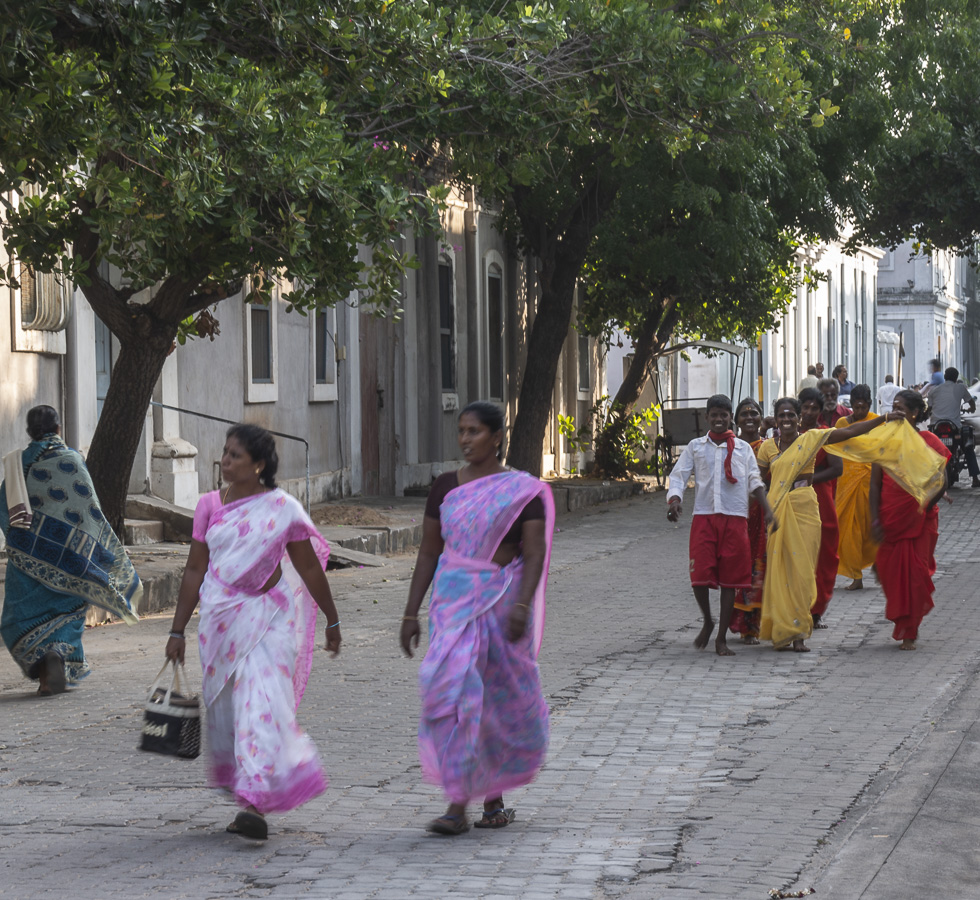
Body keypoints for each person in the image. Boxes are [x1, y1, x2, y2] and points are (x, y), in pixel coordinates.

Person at [166, 424, 341, 841]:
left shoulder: (281, 508)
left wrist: (332, 619)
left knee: (259, 703)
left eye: (235, 455)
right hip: (221, 622)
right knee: (227, 711)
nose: (225, 461)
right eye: (224, 453)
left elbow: (308, 566)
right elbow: (194, 570)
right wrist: (177, 631)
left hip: (269, 619)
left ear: (259, 465)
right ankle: (246, 788)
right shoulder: (209, 505)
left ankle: (254, 803)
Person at [401, 402, 554, 835]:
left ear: (497, 437)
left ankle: (469, 803)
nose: (466, 439)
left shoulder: (521, 491)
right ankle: (471, 798)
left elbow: (535, 551)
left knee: (492, 702)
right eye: (461, 431)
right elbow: (430, 550)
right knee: (452, 695)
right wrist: (411, 611)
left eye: (475, 432)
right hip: (452, 606)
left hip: (502, 607)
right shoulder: (445, 487)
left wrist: (523, 604)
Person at [756, 397, 939, 652]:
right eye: (781, 415)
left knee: (803, 571)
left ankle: (799, 634)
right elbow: (757, 482)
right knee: (780, 569)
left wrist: (883, 419)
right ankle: (782, 631)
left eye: (791, 415)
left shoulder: (812, 439)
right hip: (777, 510)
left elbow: (850, 431)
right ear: (775, 419)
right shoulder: (766, 448)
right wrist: (766, 509)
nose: (786, 420)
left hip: (805, 508)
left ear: (798, 419)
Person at [0, 405, 141, 695]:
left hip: (27, 561)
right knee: (69, 611)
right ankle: (57, 657)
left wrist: (19, 543)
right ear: (58, 429)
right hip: (72, 560)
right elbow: (89, 509)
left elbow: (4, 507)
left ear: (30, 432)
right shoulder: (72, 460)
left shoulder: (18, 464)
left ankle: (44, 672)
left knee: (20, 617)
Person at [667, 395, 776, 657]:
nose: (718, 419)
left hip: (735, 518)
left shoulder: (742, 448)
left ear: (731, 419)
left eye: (723, 415)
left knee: (731, 581)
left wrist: (767, 509)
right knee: (699, 577)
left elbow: (754, 479)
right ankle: (707, 618)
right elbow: (679, 475)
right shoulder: (695, 446)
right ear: (707, 417)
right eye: (714, 415)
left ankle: (721, 638)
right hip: (704, 516)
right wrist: (674, 500)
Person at [870, 391, 950, 649]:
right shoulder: (884, 441)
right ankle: (903, 622)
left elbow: (942, 482)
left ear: (914, 413)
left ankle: (909, 631)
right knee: (890, 574)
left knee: (915, 576)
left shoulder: (928, 441)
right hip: (890, 518)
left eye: (900, 407)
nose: (895, 411)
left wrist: (924, 506)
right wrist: (874, 519)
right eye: (893, 407)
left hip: (920, 521)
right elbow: (874, 484)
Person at [798, 388, 843, 627]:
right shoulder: (788, 433)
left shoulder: (826, 434)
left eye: (814, 408)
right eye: (805, 407)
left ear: (820, 410)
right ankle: (796, 607)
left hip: (821, 501)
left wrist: (810, 479)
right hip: (793, 501)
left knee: (823, 557)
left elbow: (837, 468)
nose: (808, 412)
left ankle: (816, 610)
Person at [728, 398, 768, 645]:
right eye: (744, 414)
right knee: (740, 569)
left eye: (755, 413)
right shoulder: (730, 446)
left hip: (763, 516)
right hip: (738, 514)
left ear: (762, 418)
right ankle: (742, 624)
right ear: (737, 419)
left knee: (761, 569)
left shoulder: (769, 447)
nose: (750, 417)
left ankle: (755, 624)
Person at [834, 385, 878, 591]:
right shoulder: (842, 422)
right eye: (855, 407)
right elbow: (836, 446)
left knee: (867, 528)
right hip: (846, 479)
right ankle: (856, 576)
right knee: (847, 528)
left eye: (863, 407)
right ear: (850, 406)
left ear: (869, 405)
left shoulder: (875, 420)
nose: (859, 412)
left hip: (869, 479)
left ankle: (878, 566)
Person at [927, 366, 980, 488]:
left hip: (936, 426)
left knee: (928, 448)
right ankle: (975, 478)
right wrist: (970, 409)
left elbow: (929, 408)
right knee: (968, 447)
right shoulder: (960, 388)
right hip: (954, 426)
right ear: (956, 378)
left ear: (945, 377)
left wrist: (927, 414)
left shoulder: (934, 390)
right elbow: (972, 403)